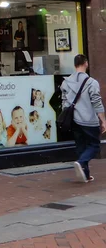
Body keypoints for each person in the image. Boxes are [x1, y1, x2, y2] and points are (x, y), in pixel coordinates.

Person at [61, 54, 106, 183]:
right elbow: (97, 103)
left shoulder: (66, 82)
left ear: (75, 65)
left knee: (81, 145)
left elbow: (64, 102)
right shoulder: (92, 82)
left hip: (74, 120)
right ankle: (81, 162)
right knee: (94, 146)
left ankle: (85, 175)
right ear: (86, 63)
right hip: (88, 120)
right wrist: (103, 120)